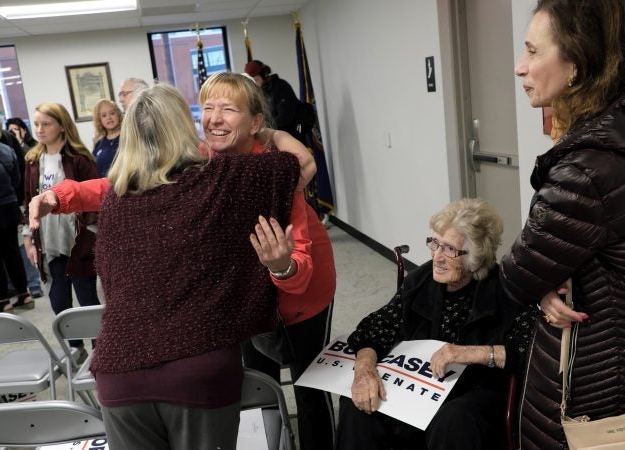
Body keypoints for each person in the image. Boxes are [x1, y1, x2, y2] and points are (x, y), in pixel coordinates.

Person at [29, 83, 314, 450]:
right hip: (198, 373)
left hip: (118, 376)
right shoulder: (227, 178)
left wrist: (57, 195)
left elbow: (106, 195)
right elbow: (302, 161)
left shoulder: (117, 198)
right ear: (185, 127)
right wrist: (270, 129)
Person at [500, 1, 625, 448]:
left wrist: (541, 281)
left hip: (596, 377)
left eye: (533, 52)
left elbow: (515, 277)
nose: (520, 67)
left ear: (575, 63)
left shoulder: (586, 170)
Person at [201, 72, 336, 450]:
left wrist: (281, 267)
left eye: (228, 108)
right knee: (257, 385)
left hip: (303, 295)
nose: (214, 117)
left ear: (256, 122)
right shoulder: (204, 164)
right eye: (208, 107)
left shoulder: (277, 166)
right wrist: (64, 196)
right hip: (245, 300)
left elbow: (301, 263)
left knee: (311, 385)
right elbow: (136, 179)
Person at [336, 198, 538, 450]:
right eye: (435, 244)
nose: (437, 257)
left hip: (474, 391)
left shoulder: (504, 291)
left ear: (475, 257)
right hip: (421, 387)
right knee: (358, 404)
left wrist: (468, 352)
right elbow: (375, 327)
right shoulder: (421, 281)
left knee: (452, 421)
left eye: (450, 249)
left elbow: (530, 351)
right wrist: (364, 370)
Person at [23, 102, 100, 343]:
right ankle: (74, 350)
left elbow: (95, 202)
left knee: (87, 299)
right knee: (59, 302)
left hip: (78, 241)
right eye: (36, 124)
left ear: (62, 126)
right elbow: (28, 201)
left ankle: (102, 350)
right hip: (49, 243)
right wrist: (28, 238)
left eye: (46, 124)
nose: (39, 129)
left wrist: (91, 235)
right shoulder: (33, 161)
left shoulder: (79, 159)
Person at [0, 106, 31, 313]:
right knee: (12, 252)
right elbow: (16, 177)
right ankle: (24, 293)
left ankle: (3, 300)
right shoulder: (5, 148)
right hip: (9, 207)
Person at [4, 117, 43, 298]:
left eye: (15, 129)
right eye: (9, 130)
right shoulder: (8, 149)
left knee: (23, 244)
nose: (12, 133)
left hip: (23, 203)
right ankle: (15, 284)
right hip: (14, 203)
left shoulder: (32, 150)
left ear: (23, 130)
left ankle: (34, 283)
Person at [244, 60, 305, 140]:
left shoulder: (281, 86)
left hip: (291, 135)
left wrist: (262, 129)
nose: (255, 85)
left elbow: (284, 118)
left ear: (264, 75)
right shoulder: (259, 92)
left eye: (256, 80)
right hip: (273, 135)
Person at [91, 99, 122, 177]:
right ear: (99, 120)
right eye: (104, 115)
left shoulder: (128, 136)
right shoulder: (98, 143)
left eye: (112, 113)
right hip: (103, 187)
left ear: (118, 115)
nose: (109, 117)